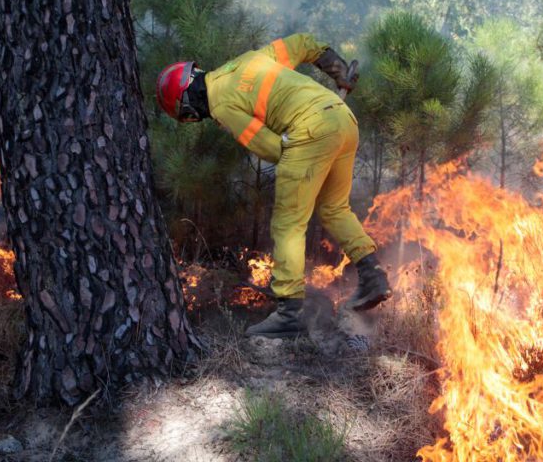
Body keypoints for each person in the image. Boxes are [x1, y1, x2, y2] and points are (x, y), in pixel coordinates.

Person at [156, 34, 391, 338]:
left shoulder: (221, 105)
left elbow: (268, 147)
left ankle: (289, 313)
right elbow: (303, 44)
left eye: (188, 116)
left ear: (188, 101)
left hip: (311, 129)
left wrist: (297, 151)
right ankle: (372, 275)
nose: (195, 119)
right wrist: (337, 69)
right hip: (343, 119)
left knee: (288, 223)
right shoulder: (248, 60)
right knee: (334, 208)